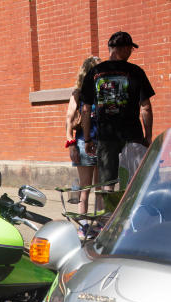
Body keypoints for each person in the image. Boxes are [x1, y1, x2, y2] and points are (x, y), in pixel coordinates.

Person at [81, 31, 154, 186]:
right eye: (130, 49)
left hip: (105, 136)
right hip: (132, 134)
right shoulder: (136, 72)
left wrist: (87, 138)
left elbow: (85, 110)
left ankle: (110, 210)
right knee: (133, 183)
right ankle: (129, 210)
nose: (131, 53)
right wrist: (148, 136)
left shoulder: (95, 73)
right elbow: (145, 107)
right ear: (124, 49)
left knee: (107, 184)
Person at [65, 55, 100, 215]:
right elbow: (68, 119)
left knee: (102, 187)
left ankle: (101, 223)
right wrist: (71, 145)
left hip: (102, 143)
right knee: (85, 187)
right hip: (82, 143)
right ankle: (83, 222)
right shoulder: (77, 93)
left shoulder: (103, 91)